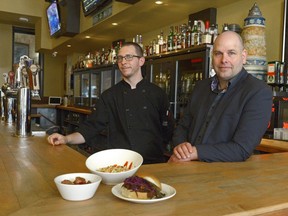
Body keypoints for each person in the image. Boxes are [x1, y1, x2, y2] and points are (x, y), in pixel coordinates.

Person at [47, 42, 174, 164]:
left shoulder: (157, 94)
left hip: (153, 164)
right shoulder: (109, 95)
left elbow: (167, 129)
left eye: (129, 57)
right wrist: (66, 138)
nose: (123, 62)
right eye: (120, 58)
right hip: (120, 164)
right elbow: (90, 128)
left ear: (141, 61)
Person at [168, 31, 272, 163]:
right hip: (186, 166)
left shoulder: (258, 92)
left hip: (224, 176)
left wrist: (195, 152)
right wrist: (180, 146)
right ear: (212, 57)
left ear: (244, 56)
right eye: (218, 53)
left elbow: (242, 149)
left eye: (231, 53)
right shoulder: (201, 87)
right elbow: (182, 127)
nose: (224, 60)